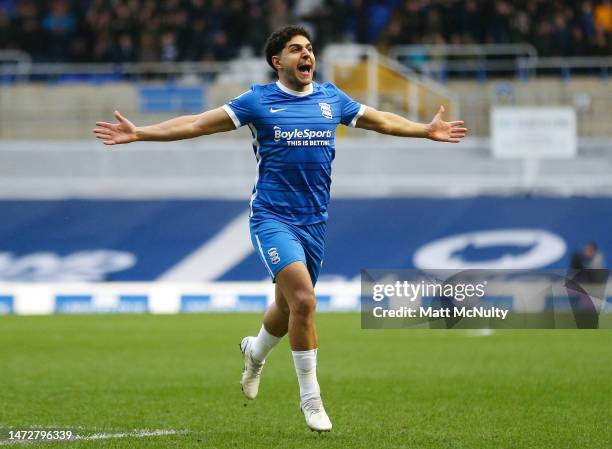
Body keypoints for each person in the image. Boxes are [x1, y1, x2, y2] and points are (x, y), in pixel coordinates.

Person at [94, 25, 467, 432]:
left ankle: (254, 352)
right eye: (295, 50)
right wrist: (141, 133)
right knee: (304, 300)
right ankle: (311, 399)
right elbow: (199, 123)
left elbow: (381, 121)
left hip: (315, 221)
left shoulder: (330, 99)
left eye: (309, 49)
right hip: (272, 218)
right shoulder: (258, 100)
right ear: (278, 62)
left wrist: (425, 130)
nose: (306, 55)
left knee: (287, 307)